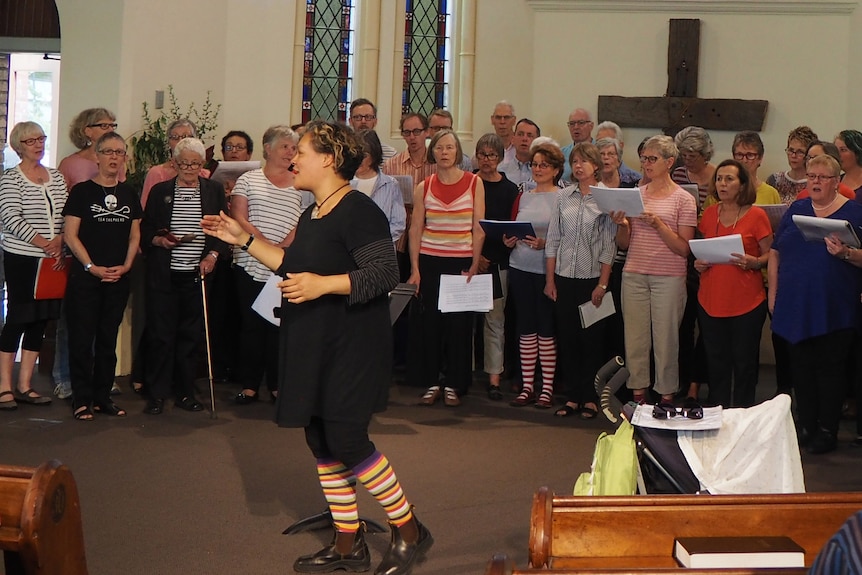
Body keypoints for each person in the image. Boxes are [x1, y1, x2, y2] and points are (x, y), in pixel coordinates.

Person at [200, 120, 432, 575]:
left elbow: (384, 273)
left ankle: (409, 529)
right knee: (319, 436)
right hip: (315, 337)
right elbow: (291, 264)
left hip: (351, 343)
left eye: (301, 151)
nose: (293, 157)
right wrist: (243, 238)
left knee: (347, 437)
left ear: (328, 159)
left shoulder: (358, 210)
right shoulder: (312, 213)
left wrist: (323, 284)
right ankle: (348, 541)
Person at [768, 154, 862, 454]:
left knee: (829, 370)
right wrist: (774, 293)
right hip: (796, 303)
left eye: (823, 177)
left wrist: (846, 253)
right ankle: (805, 425)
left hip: (834, 305)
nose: (816, 182)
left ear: (837, 182)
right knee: (801, 369)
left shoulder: (855, 213)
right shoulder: (796, 209)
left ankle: (826, 430)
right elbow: (774, 252)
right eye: (812, 177)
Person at [140, 137, 228, 415]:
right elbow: (147, 230)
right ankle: (157, 394)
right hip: (165, 274)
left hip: (197, 274)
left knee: (191, 336)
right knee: (161, 335)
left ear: (203, 164)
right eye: (184, 163)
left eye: (195, 164)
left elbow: (222, 230)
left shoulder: (213, 190)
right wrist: (160, 241)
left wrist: (212, 256)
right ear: (175, 164)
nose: (189, 169)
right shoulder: (160, 190)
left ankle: (185, 392)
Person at [610, 135, 697, 405]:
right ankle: (638, 394)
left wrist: (659, 224)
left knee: (666, 339)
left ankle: (667, 395)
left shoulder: (683, 199)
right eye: (644, 158)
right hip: (635, 272)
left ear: (669, 162)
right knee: (635, 338)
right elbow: (623, 244)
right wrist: (622, 225)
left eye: (652, 158)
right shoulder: (636, 194)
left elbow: (684, 248)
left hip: (668, 277)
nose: (646, 163)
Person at [62, 132, 141, 420]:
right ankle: (81, 399)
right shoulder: (82, 191)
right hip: (87, 278)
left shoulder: (129, 193)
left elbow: (135, 236)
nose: (114, 157)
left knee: (108, 340)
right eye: (108, 152)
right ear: (96, 156)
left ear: (124, 158)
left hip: (118, 277)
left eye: (119, 152)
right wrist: (90, 267)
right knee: (82, 339)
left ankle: (103, 396)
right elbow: (71, 235)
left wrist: (126, 266)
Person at [408, 128, 485, 407]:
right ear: (433, 152)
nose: (444, 153)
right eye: (440, 148)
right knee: (431, 326)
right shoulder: (423, 186)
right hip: (430, 261)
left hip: (461, 263)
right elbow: (416, 228)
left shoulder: (474, 183)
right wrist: (415, 269)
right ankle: (432, 382)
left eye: (450, 148)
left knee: (459, 328)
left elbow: (478, 228)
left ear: (457, 152)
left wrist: (475, 264)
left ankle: (455, 384)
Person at [54, 108, 124, 400]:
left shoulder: (117, 162)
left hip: (109, 253)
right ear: (86, 131)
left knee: (104, 324)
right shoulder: (70, 164)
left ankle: (101, 379)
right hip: (78, 252)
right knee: (73, 322)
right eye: (102, 125)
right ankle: (65, 377)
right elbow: (63, 208)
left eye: (112, 124)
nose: (108, 128)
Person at [231, 125, 304, 405]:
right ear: (268, 148)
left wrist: (280, 250)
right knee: (251, 326)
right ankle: (249, 385)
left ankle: (277, 385)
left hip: (284, 264)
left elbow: (303, 221)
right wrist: (262, 245)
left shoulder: (300, 182)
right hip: (249, 262)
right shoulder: (249, 179)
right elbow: (239, 217)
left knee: (279, 327)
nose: (290, 152)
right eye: (285, 146)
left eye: (294, 147)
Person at [545, 143, 616, 419]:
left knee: (592, 341)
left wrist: (602, 284)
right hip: (564, 277)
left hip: (591, 280)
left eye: (584, 161)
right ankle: (573, 396)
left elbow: (610, 246)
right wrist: (550, 280)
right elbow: (553, 239)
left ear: (596, 165)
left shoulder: (607, 198)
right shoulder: (563, 196)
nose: (578, 165)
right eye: (574, 161)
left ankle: (591, 398)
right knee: (568, 339)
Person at [693, 159, 772, 408]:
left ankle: (743, 413)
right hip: (710, 300)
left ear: (742, 185)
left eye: (729, 179)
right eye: (719, 178)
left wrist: (755, 262)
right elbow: (703, 250)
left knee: (744, 363)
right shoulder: (709, 213)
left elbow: (772, 254)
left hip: (746, 302)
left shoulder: (757, 215)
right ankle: (718, 413)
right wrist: (699, 264)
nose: (723, 184)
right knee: (716, 363)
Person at [0, 122, 65, 411]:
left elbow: (67, 212)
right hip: (22, 258)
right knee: (17, 318)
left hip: (54, 259)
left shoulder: (57, 176)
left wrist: (60, 240)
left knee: (41, 320)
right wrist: (43, 242)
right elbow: (10, 218)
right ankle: (4, 386)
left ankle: (26, 385)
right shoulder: (10, 179)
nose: (38, 144)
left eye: (41, 139)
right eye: (30, 141)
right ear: (18, 146)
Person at [505, 142, 562, 409]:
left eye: (544, 165)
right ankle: (527, 386)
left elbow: (566, 237)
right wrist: (508, 239)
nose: (538, 169)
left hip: (546, 270)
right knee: (525, 327)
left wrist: (545, 244)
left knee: (546, 329)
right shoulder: (524, 195)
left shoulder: (563, 197)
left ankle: (546, 388)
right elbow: (515, 224)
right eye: (535, 165)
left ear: (556, 170)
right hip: (519, 265)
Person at [474, 133, 519, 400]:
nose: (487, 160)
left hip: (498, 262)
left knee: (495, 322)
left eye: (492, 155)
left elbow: (512, 225)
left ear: (500, 158)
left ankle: (494, 377)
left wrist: (507, 243)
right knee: (465, 321)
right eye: (482, 154)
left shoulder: (510, 189)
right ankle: (463, 372)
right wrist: (475, 257)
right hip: (470, 260)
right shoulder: (469, 182)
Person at [351, 129, 407, 245]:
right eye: (356, 153)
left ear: (374, 155)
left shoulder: (390, 185)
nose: (359, 159)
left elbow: (398, 224)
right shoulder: (344, 183)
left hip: (380, 251)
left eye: (364, 155)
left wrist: (375, 242)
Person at [766, 126, 819, 204]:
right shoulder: (774, 180)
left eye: (800, 152)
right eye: (791, 150)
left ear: (808, 155)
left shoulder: (815, 182)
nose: (793, 156)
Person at [726, 131, 780, 205]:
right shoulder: (724, 190)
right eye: (739, 155)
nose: (744, 160)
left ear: (760, 158)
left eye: (750, 155)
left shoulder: (771, 194)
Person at [672, 126, 716, 207]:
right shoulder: (679, 174)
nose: (687, 161)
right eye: (683, 155)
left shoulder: (718, 176)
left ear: (705, 155)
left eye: (692, 156)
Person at [561, 108, 594, 183]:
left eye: (581, 123)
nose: (576, 127)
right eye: (572, 124)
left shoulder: (601, 151)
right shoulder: (561, 153)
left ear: (591, 126)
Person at [504, 119, 541, 186]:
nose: (524, 139)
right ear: (513, 139)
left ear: (537, 142)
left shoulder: (545, 173)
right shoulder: (501, 171)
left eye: (529, 135)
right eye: (520, 134)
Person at [835, 129, 862, 200]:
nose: (838, 155)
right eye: (836, 150)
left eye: (843, 150)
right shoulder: (835, 181)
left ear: (857, 153)